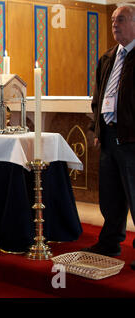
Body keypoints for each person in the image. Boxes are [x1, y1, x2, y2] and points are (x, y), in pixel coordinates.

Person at [83, 3, 134, 270]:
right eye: (113, 19)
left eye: (121, 19)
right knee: (110, 194)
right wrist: (97, 129)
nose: (115, 24)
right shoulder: (108, 57)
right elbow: (99, 96)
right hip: (109, 135)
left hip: (132, 138)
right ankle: (110, 241)